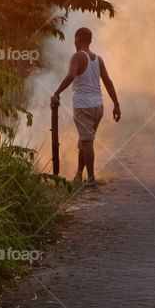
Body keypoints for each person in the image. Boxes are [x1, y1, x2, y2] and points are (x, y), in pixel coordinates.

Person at [51, 27, 120, 188]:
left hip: (83, 107)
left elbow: (70, 76)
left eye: (75, 40)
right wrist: (116, 104)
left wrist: (56, 92)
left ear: (77, 40)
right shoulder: (98, 59)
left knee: (87, 142)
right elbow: (108, 82)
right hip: (98, 107)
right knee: (85, 141)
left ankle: (90, 180)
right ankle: (78, 175)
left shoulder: (77, 57)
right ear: (90, 41)